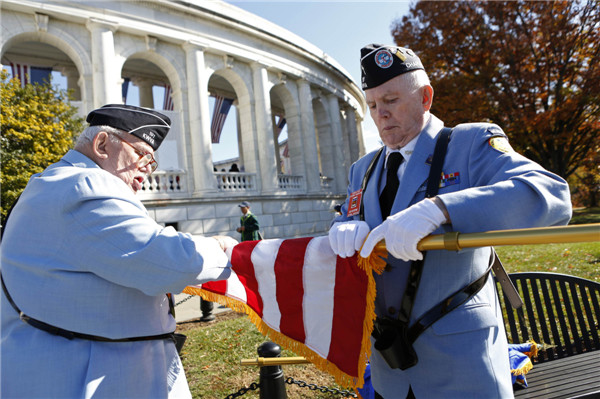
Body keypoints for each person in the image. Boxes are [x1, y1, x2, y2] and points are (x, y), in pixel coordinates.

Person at [329, 44, 572, 398]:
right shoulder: (362, 169)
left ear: (425, 97)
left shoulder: (470, 143)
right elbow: (342, 220)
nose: (381, 114)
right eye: (372, 105)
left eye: (392, 100)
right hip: (389, 371)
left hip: (463, 367)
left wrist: (442, 209)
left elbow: (551, 196)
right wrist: (340, 228)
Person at [1, 104, 238, 398]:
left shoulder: (54, 183)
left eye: (152, 162)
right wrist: (221, 246)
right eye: (142, 154)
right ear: (102, 144)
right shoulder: (86, 184)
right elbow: (168, 262)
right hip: (89, 377)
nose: (148, 170)